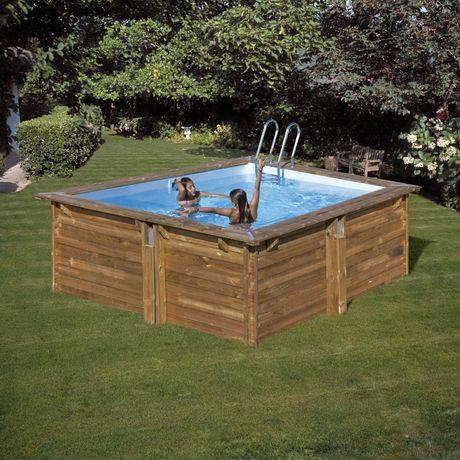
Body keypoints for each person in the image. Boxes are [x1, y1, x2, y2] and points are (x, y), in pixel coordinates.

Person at [182, 159, 265, 224]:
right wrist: (260, 170)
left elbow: (212, 210)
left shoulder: (232, 212)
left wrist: (195, 209)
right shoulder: (253, 208)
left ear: (234, 202)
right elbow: (256, 189)